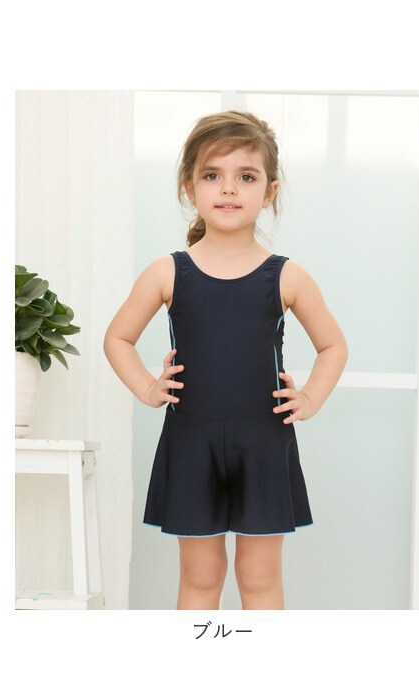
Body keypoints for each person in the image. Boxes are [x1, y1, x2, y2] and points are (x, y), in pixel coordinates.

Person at [104, 110, 348, 610]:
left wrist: (310, 398)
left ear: (270, 191)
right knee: (201, 577)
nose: (229, 189)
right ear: (189, 188)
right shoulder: (167, 272)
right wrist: (148, 388)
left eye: (247, 177)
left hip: (264, 442)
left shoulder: (287, 276)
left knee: (259, 577)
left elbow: (333, 346)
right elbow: (118, 338)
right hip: (191, 442)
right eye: (213, 175)